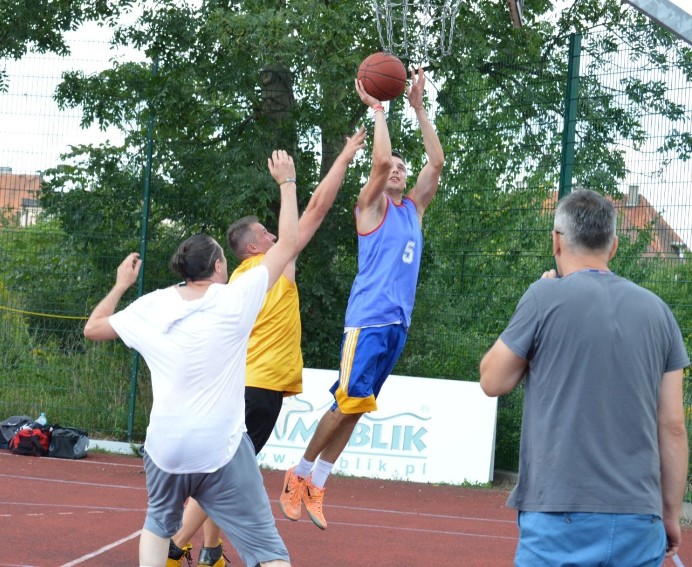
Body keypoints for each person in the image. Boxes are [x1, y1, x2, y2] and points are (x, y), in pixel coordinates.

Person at [83, 150, 300, 567]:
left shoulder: (152, 305)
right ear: (220, 265)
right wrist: (286, 182)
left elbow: (93, 328)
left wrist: (120, 284)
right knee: (270, 551)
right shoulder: (237, 296)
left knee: (157, 523)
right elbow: (288, 243)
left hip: (165, 448)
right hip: (218, 448)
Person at [166, 128, 368, 566]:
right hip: (258, 392)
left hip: (238, 387)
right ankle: (176, 542)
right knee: (226, 474)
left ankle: (211, 552)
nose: (277, 237)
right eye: (268, 234)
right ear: (254, 246)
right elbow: (316, 209)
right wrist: (341, 157)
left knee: (229, 466)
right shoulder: (271, 269)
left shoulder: (236, 281)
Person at [479, 189, 689, 565]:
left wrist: (538, 302)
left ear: (556, 241)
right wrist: (669, 513)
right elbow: (673, 426)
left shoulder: (543, 297)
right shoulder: (659, 313)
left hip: (559, 514)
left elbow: (492, 381)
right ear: (613, 246)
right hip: (639, 517)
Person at [278, 68, 444, 531]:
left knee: (358, 406)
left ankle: (318, 483)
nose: (396, 169)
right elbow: (378, 161)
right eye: (391, 168)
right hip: (368, 319)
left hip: (397, 323)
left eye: (401, 169)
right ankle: (298, 472)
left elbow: (437, 162)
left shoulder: (413, 209)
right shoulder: (371, 207)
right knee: (349, 399)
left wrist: (418, 107)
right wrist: (378, 111)